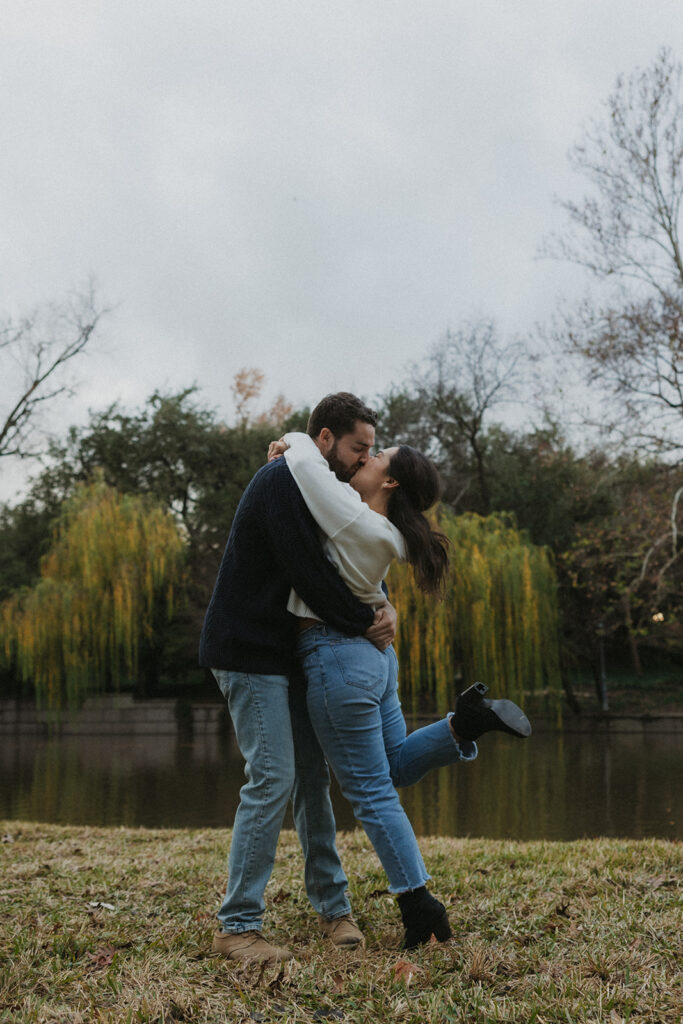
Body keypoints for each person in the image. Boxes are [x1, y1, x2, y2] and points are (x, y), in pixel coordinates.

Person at [269, 430, 531, 948]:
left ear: (389, 480)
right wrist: (386, 608)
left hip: (334, 657)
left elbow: (306, 468)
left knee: (370, 791)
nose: (367, 457)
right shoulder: (384, 530)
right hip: (376, 662)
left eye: (378, 455)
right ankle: (464, 723)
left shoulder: (354, 514)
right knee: (391, 769)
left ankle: (417, 900)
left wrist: (294, 437)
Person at [199, 393, 396, 964]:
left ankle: (334, 911)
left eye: (372, 451)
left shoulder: (319, 489)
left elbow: (349, 565)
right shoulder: (283, 480)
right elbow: (309, 574)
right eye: (359, 448)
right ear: (326, 440)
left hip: (289, 656)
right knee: (273, 778)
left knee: (312, 778)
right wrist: (367, 623)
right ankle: (237, 926)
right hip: (247, 649)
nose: (365, 461)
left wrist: (385, 606)